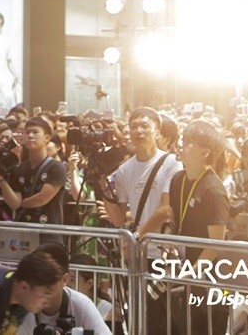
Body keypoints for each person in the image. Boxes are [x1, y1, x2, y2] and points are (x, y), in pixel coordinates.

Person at [101, 106, 181, 335]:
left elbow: (166, 209)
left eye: (145, 126)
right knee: (141, 320)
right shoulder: (124, 170)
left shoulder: (172, 163)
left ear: (157, 131)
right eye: (134, 126)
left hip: (164, 254)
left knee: (167, 321)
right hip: (138, 257)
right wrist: (101, 184)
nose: (139, 131)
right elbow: (118, 217)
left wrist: (135, 236)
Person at [165, 119, 230, 335]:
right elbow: (172, 217)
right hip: (185, 275)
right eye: (183, 139)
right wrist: (168, 239)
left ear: (205, 152)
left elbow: (216, 244)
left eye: (188, 142)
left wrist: (191, 273)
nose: (181, 145)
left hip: (211, 278)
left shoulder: (213, 190)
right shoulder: (177, 179)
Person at [17, 243, 110, 335]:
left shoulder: (82, 305)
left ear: (64, 279)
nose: (42, 286)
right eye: (37, 278)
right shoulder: (22, 307)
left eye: (48, 279)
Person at [0, 116, 67, 230]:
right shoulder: (20, 168)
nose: (30, 136)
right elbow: (14, 203)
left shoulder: (56, 167)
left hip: (48, 231)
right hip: (23, 229)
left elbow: (41, 198)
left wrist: (21, 203)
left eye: (35, 132)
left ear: (47, 138)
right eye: (27, 132)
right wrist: (0, 178)